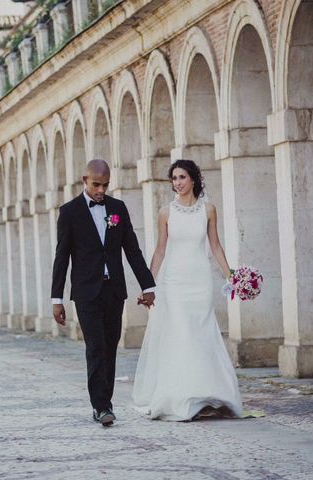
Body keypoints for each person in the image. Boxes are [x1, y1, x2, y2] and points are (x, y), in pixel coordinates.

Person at [132, 159, 243, 421]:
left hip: (200, 281)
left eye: (181, 177)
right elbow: (160, 250)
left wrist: (232, 276)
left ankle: (206, 394)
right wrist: (148, 285)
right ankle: (182, 397)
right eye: (174, 179)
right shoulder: (165, 212)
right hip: (174, 282)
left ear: (193, 179)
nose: (177, 183)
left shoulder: (209, 210)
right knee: (181, 334)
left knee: (202, 334)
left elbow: (215, 246)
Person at [51, 159, 155, 426]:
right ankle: (101, 406)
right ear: (84, 180)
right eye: (96, 184)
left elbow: (132, 249)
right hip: (86, 293)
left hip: (114, 290)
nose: (101, 190)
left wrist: (148, 286)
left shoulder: (117, 209)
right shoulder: (70, 212)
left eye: (105, 185)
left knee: (110, 347)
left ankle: (105, 400)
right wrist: (57, 299)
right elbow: (61, 257)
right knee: (95, 346)